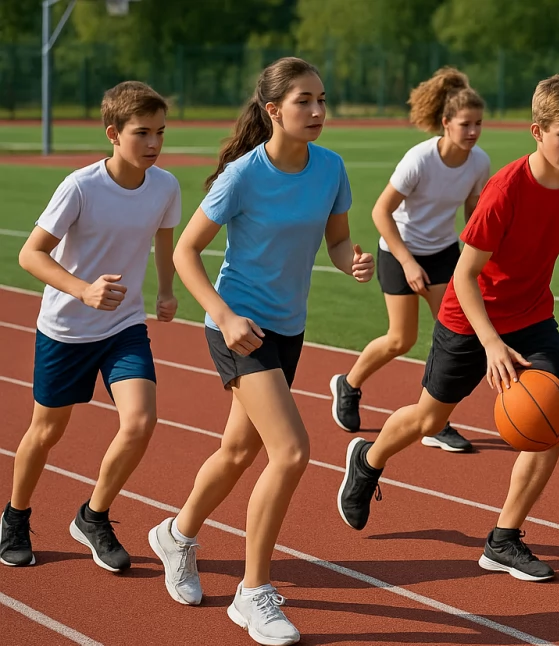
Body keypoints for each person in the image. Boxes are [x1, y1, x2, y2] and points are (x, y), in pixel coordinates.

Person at [336, 74, 559, 582]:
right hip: (469, 317)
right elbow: (464, 275)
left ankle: (503, 539)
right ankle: (368, 458)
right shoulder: (505, 189)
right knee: (430, 420)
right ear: (537, 131)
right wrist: (491, 343)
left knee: (552, 420)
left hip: (533, 316)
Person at [147, 57, 373, 646]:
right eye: (305, 101)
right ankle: (254, 593)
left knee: (238, 448)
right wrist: (222, 316)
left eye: (323, 99)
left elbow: (337, 236)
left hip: (288, 327)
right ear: (274, 110)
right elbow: (184, 252)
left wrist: (351, 259)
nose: (319, 111)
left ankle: (177, 533)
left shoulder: (331, 168)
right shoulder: (242, 176)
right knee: (293, 451)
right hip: (238, 326)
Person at [0, 81, 180, 572]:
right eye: (142, 133)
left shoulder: (165, 185)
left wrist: (165, 290)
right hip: (66, 329)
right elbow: (29, 254)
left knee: (141, 420)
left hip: (123, 326)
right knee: (47, 430)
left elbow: (164, 240)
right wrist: (82, 289)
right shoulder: (80, 186)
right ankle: (15, 515)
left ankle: (93, 515)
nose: (153, 144)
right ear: (113, 134)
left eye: (160, 133)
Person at [329, 66, 490, 453]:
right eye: (465, 124)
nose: (473, 132)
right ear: (446, 123)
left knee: (452, 337)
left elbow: (473, 209)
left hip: (443, 252)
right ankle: (348, 384)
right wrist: (408, 262)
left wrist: (481, 254)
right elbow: (381, 212)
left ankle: (434, 420)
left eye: (478, 124)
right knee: (402, 339)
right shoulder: (419, 159)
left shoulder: (479, 161)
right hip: (399, 249)